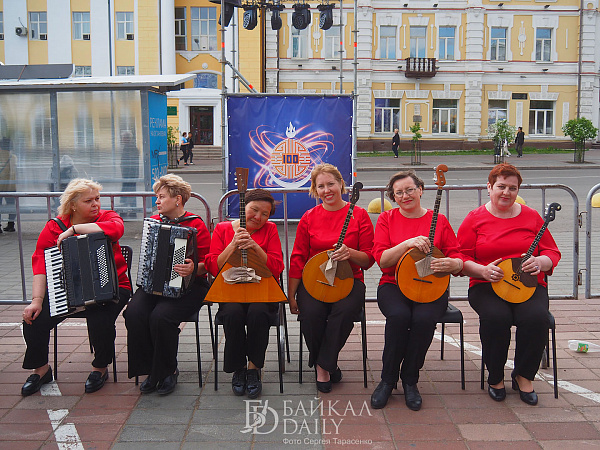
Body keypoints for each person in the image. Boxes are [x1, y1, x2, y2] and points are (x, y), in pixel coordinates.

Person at [457, 163, 561, 406]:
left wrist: (540, 262)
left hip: (528, 284)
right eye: (501, 186)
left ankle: (524, 375)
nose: (506, 192)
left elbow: (552, 252)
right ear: (489, 187)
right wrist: (482, 270)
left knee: (536, 318)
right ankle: (495, 376)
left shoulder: (532, 216)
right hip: (487, 284)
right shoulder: (475, 218)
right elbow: (460, 257)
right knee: (496, 317)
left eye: (512, 188)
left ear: (518, 191)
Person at [21, 179, 131, 396]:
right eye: (88, 201)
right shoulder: (54, 227)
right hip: (68, 289)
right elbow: (40, 264)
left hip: (115, 286)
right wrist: (36, 300)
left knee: (100, 317)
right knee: (34, 318)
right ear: (72, 204)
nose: (95, 204)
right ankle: (41, 369)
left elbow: (117, 229)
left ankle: (100, 367)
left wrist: (75, 230)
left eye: (97, 199)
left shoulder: (107, 217)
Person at [370, 171, 464, 411]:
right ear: (393, 197)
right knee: (399, 316)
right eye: (399, 193)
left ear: (420, 190)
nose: (405, 196)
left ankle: (410, 379)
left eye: (410, 190)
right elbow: (382, 260)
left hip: (431, 286)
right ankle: (388, 379)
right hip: (394, 284)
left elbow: (455, 254)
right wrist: (407, 243)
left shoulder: (439, 220)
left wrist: (454, 263)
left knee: (423, 319)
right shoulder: (387, 219)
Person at [288, 163, 374, 393]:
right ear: (315, 190)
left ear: (341, 184)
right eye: (321, 186)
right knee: (311, 313)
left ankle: (323, 365)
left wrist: (350, 253)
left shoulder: (359, 215)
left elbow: (368, 259)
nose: (327, 190)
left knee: (344, 312)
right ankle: (328, 363)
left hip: (349, 279)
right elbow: (298, 258)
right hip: (314, 279)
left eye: (331, 184)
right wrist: (291, 295)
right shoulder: (309, 217)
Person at [124, 174, 210, 395]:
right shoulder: (154, 222)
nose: (157, 201)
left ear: (178, 199)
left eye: (161, 197)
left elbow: (209, 262)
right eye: (157, 197)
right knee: (133, 313)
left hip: (190, 285)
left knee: (161, 317)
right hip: (154, 283)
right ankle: (151, 369)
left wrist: (193, 268)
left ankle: (167, 371)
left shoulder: (195, 224)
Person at [205, 189, 284, 399]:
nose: (258, 217)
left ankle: (253, 369)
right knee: (232, 313)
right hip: (231, 291)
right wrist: (232, 245)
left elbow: (277, 267)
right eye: (254, 210)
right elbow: (213, 267)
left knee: (258, 312)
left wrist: (256, 247)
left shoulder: (270, 229)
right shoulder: (222, 229)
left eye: (265, 214)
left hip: (263, 291)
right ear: (243, 207)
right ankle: (238, 368)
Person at [0, 137, 16, 233]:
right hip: (11, 186)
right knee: (11, 205)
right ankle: (11, 224)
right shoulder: (13, 157)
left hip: (0, 186)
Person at [120, 130, 139, 208]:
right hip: (128, 174)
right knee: (129, 191)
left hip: (130, 174)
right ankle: (129, 208)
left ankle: (129, 208)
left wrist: (128, 173)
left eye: (124, 138)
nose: (122, 139)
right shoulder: (128, 147)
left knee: (129, 191)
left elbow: (131, 162)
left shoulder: (130, 148)